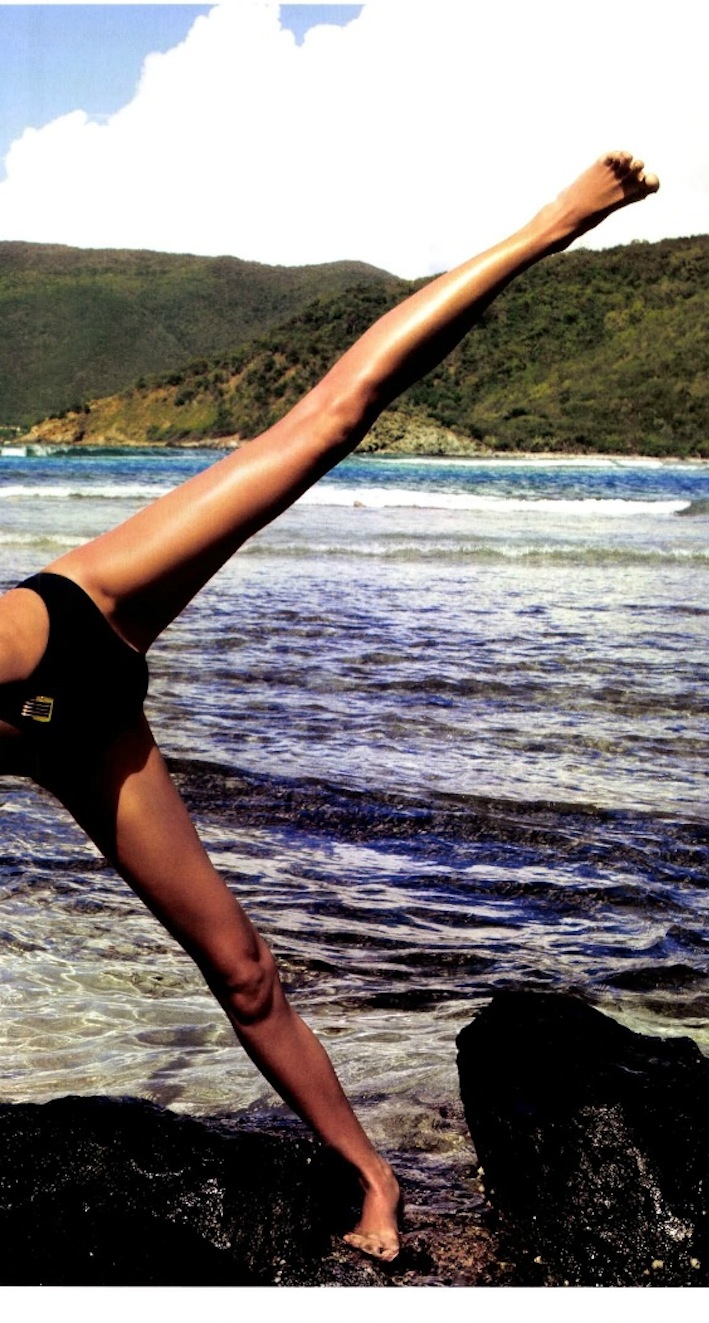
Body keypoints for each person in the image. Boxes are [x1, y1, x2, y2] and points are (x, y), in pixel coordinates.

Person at [0, 152, 658, 1261]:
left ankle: (548, 226)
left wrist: (554, 223)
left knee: (327, 423)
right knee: (244, 973)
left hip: (82, 618)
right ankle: (375, 1179)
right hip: (83, 746)